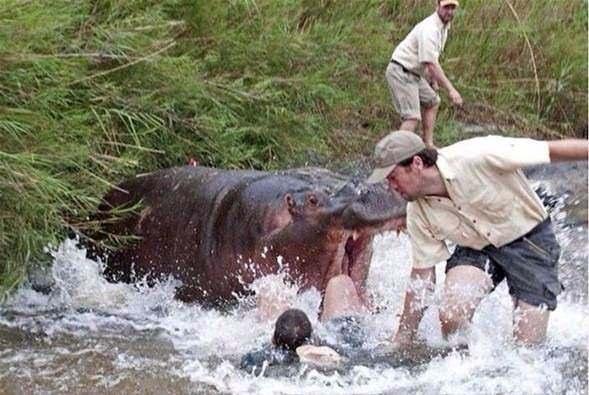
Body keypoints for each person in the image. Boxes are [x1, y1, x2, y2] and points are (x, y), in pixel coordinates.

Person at [366, 130, 588, 346]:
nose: (392, 187)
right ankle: (463, 366)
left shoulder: (477, 155)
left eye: (393, 177)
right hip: (477, 248)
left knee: (528, 349)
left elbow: (550, 151)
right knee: (452, 315)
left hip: (530, 243)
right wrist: (403, 337)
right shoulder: (417, 212)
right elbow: (423, 275)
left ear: (416, 164)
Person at [240, 274, 368, 371]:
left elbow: (244, 363)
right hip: (338, 343)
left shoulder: (262, 356)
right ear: (313, 334)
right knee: (340, 282)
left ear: (273, 338)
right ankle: (369, 305)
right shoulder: (336, 346)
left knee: (270, 286)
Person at [385, 0, 463, 147]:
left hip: (414, 73)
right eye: (446, 7)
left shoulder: (443, 27)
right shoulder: (430, 28)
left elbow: (431, 58)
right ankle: (395, 153)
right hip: (401, 71)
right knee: (412, 117)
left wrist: (433, 81)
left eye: (453, 8)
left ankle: (427, 145)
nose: (450, 12)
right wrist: (451, 90)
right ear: (437, 6)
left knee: (432, 101)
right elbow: (431, 63)